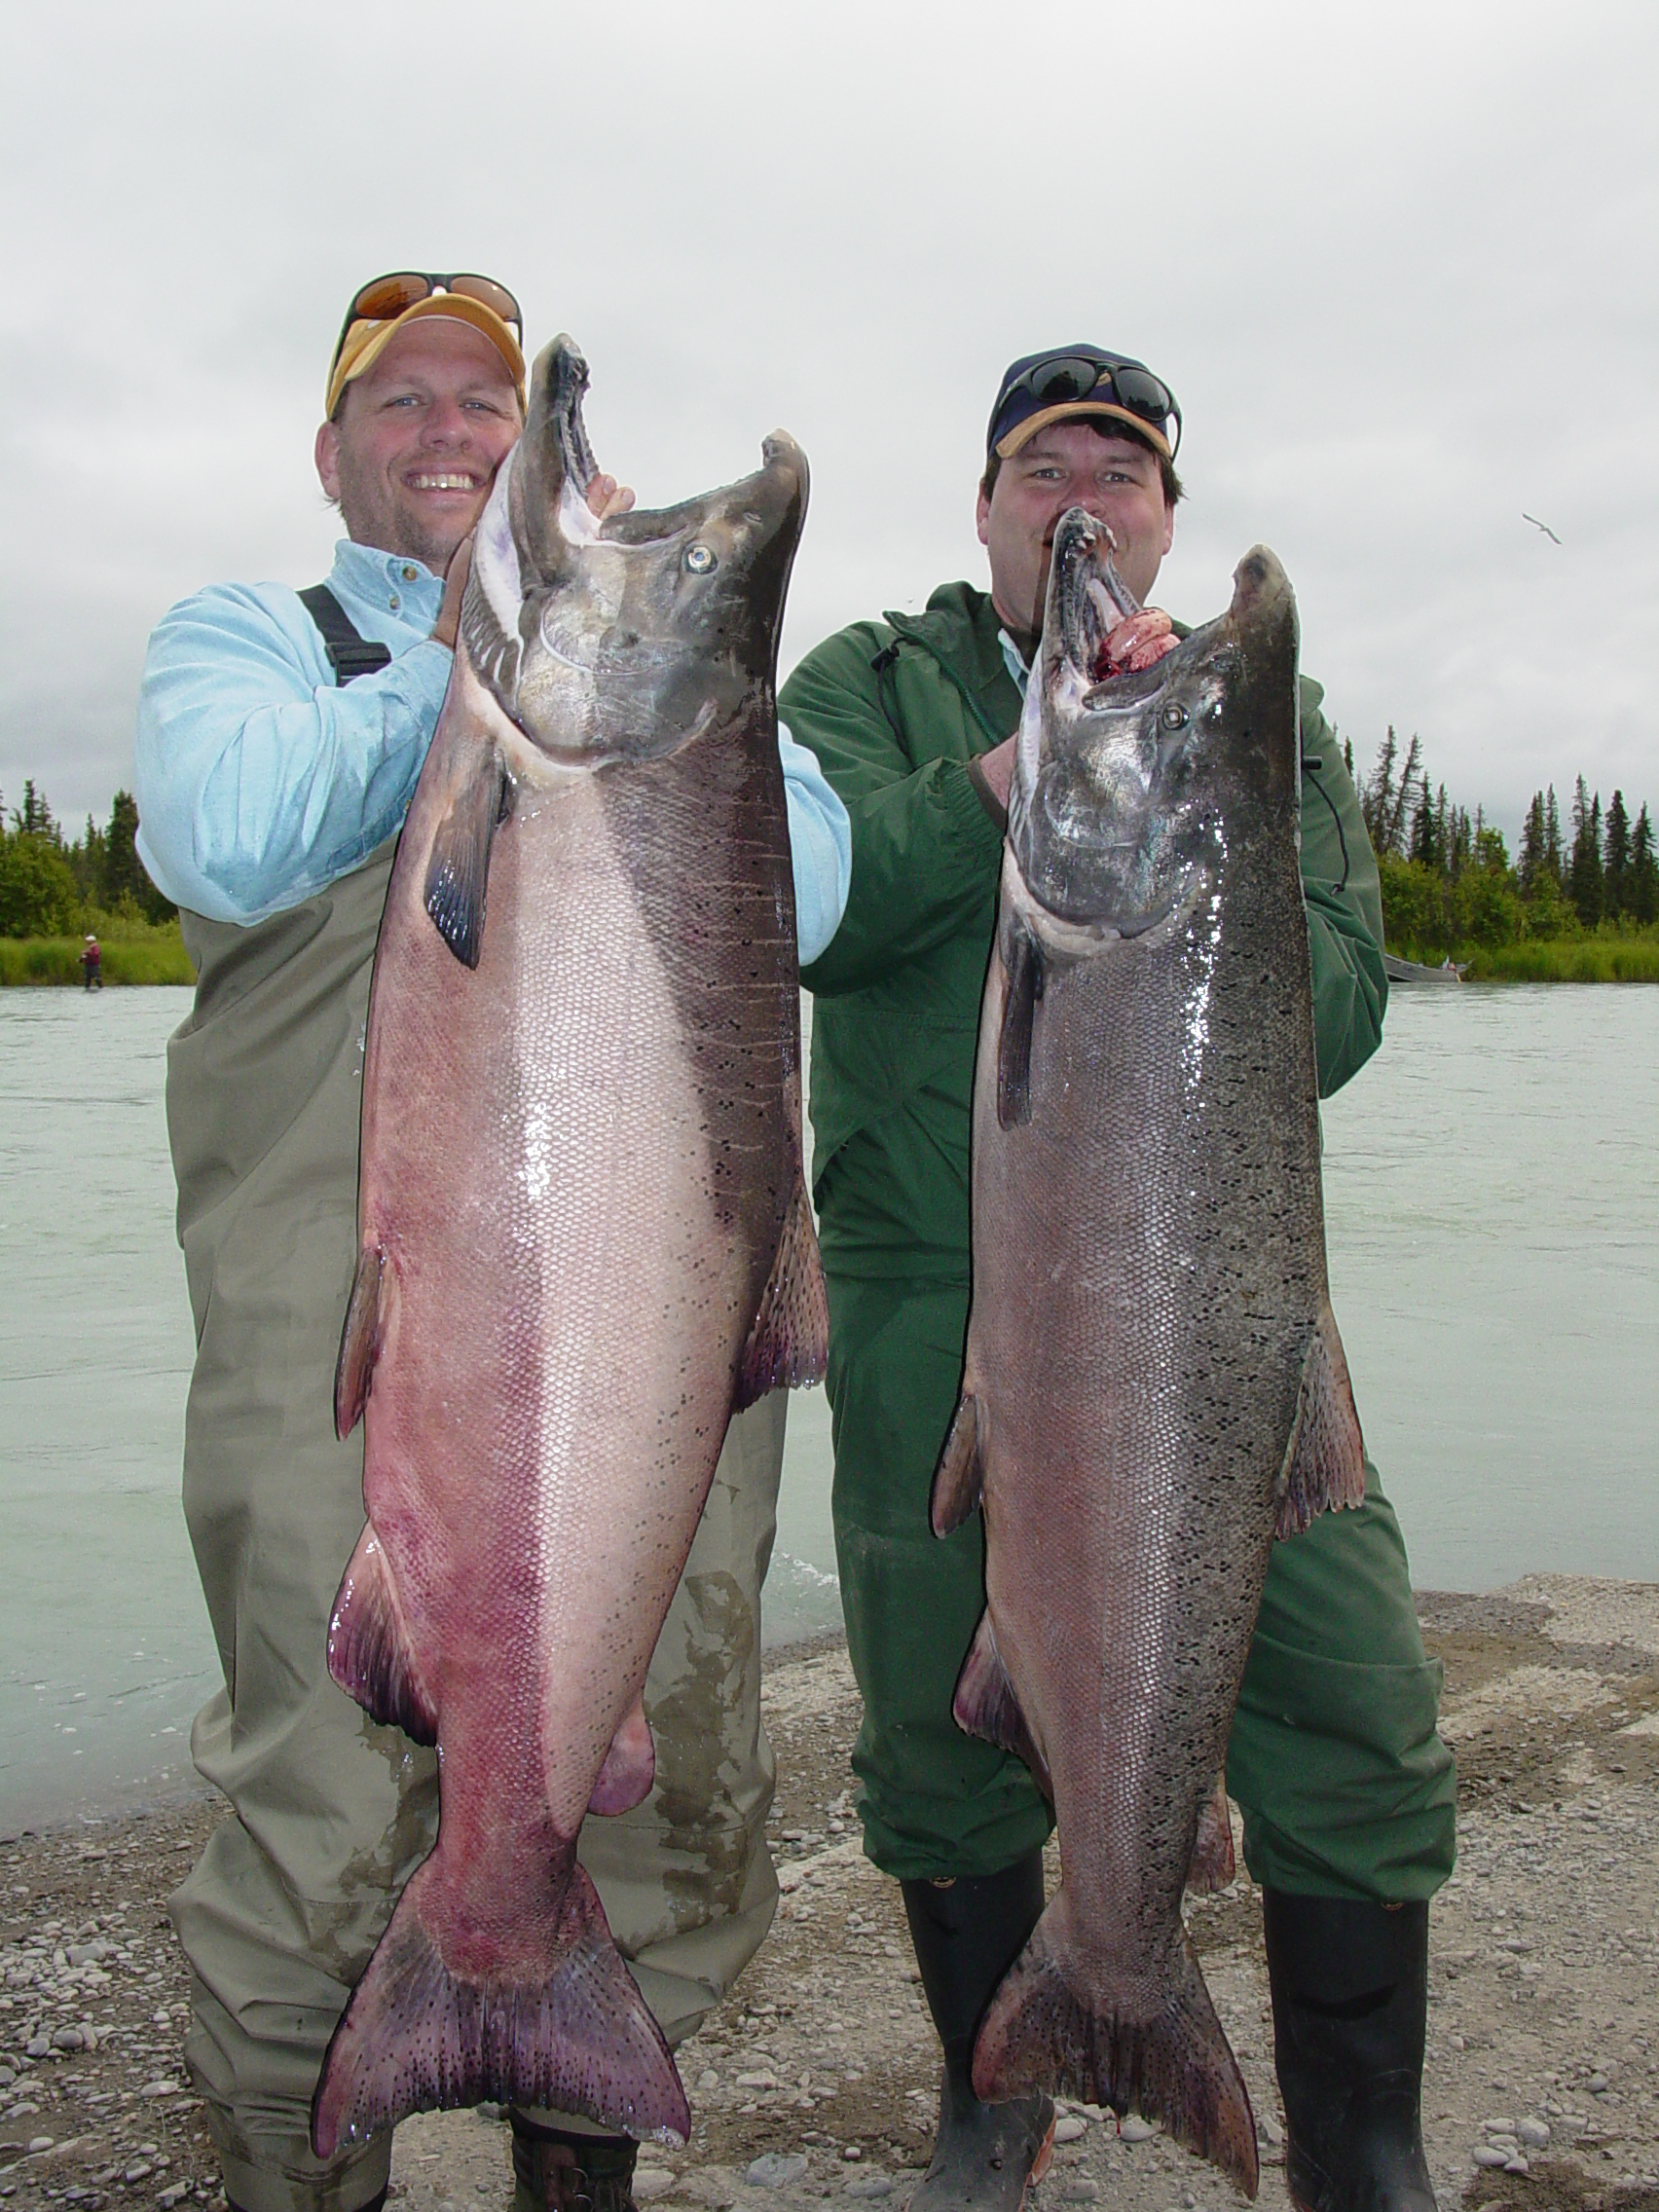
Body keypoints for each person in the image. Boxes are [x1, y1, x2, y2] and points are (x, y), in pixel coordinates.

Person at [134, 272, 851, 2212]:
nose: (450, 433)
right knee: (312, 1804)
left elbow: (824, 882)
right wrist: (463, 663)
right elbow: (214, 828)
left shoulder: (659, 692)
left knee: (665, 1784)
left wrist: (627, 664)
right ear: (332, 450)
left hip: (655, 1326)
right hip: (346, 1345)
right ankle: (311, 2156)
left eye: (485, 404)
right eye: (408, 405)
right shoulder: (250, 646)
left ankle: (576, 2129)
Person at [779, 346, 1457, 2212]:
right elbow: (810, 906)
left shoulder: (1254, 712)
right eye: (1046, 462)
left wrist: (1195, 816)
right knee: (941, 1719)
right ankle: (995, 2102)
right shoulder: (868, 685)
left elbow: (1335, 1011)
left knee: (1353, 1687)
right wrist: (1012, 778)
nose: (1088, 488)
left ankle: (1362, 2142)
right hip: (933, 1295)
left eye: (1127, 468)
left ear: (1165, 514)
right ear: (987, 504)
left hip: (1227, 1296)